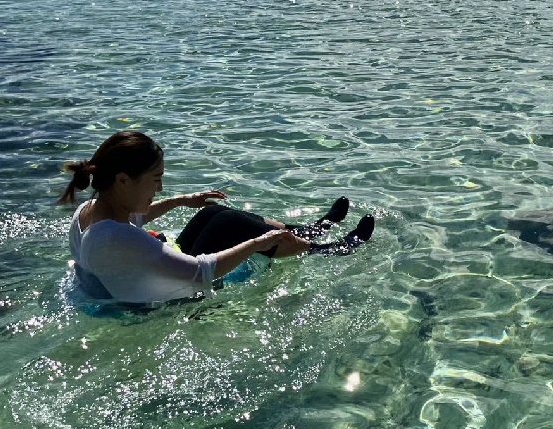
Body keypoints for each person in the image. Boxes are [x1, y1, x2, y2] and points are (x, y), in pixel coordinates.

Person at [58, 130, 375, 304]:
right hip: (170, 297)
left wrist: (183, 201)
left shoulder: (92, 212)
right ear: (123, 180)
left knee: (212, 211)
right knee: (229, 224)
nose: (160, 188)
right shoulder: (112, 236)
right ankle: (325, 247)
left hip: (140, 279)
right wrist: (256, 243)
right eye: (155, 180)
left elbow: (137, 219)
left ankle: (313, 229)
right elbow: (201, 275)